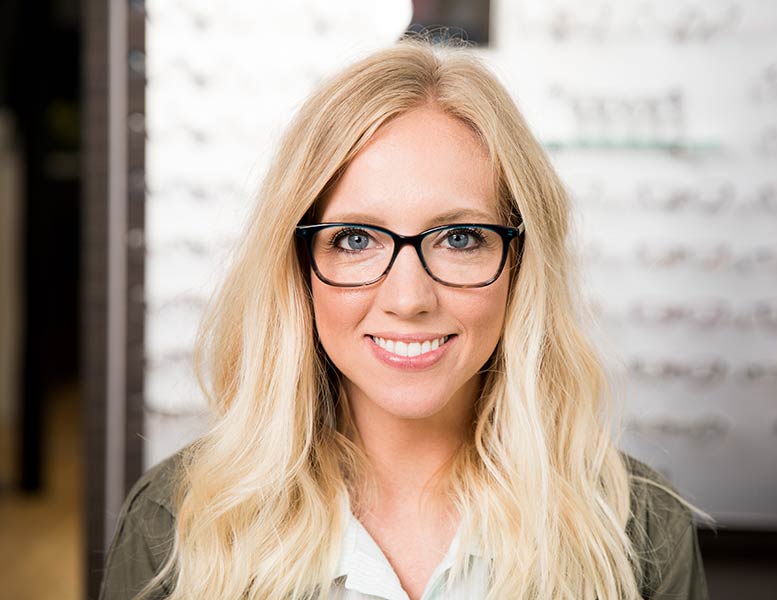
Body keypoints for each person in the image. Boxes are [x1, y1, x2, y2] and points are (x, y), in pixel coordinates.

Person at [99, 37, 709, 600]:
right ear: (298, 267)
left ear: (522, 263)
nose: (409, 297)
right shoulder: (177, 522)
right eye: (356, 239)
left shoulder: (638, 529)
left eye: (462, 237)